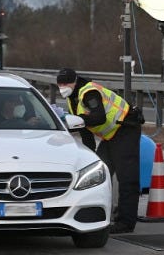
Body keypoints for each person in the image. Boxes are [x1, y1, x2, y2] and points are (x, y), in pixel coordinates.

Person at [57, 68, 143, 233]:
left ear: (74, 81)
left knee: (127, 177)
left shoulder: (89, 92)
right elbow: (84, 128)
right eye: (60, 84)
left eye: (66, 83)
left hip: (126, 128)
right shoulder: (72, 97)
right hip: (111, 135)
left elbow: (98, 117)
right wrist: (88, 157)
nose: (63, 87)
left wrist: (76, 121)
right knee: (99, 173)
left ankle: (126, 222)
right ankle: (99, 215)